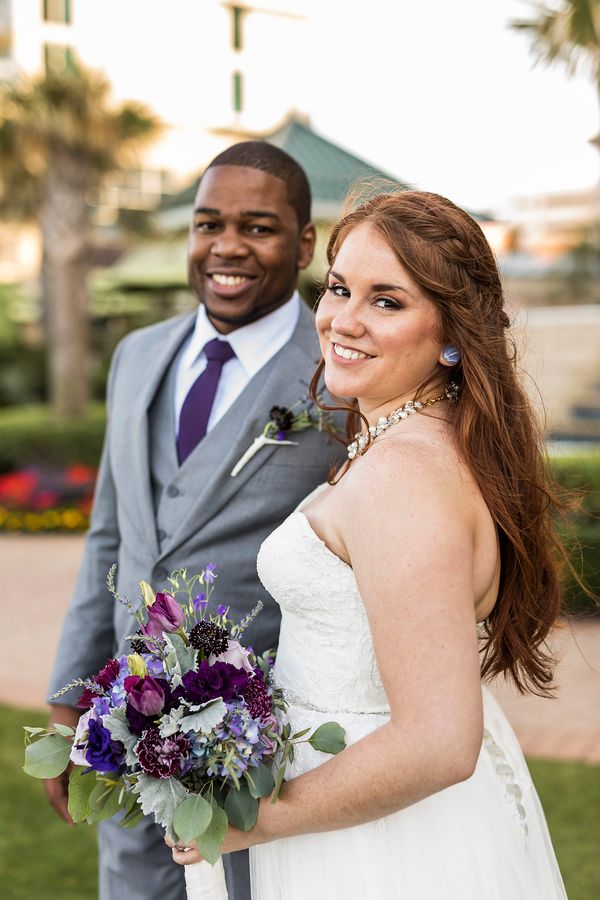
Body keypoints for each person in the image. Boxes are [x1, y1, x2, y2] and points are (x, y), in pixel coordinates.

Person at [168, 190, 568, 898]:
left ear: (452, 333)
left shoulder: (405, 476)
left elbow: (439, 742)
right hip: (358, 805)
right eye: (339, 287)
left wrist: (256, 820)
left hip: (381, 843)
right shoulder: (408, 440)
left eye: (387, 301)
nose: (342, 320)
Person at [45, 142, 344, 900]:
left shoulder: (338, 375)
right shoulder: (137, 355)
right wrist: (71, 693)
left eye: (259, 227)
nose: (228, 247)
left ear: (305, 243)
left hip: (263, 749)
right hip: (125, 726)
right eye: (209, 223)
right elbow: (110, 537)